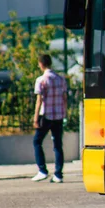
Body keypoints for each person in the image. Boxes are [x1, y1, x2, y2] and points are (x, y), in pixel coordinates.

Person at [31, 54, 67, 183]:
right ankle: (58, 174)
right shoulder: (60, 79)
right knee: (58, 144)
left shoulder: (41, 80)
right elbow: (64, 98)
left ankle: (42, 170)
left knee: (37, 141)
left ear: (41, 64)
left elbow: (39, 101)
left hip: (46, 115)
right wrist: (65, 113)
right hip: (58, 116)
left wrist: (35, 119)